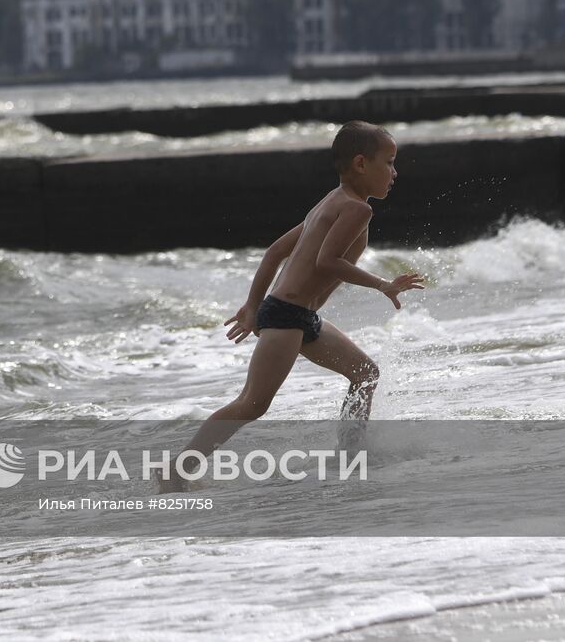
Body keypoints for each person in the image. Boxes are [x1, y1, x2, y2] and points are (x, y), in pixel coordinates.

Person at [159, 121, 424, 492]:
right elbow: (326, 262)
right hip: (286, 316)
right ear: (362, 164)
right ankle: (179, 468)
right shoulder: (355, 210)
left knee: (365, 373)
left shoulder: (332, 201)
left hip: (297, 316)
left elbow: (274, 254)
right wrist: (382, 284)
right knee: (252, 404)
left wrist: (253, 307)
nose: (395, 173)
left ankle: (352, 456)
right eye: (390, 162)